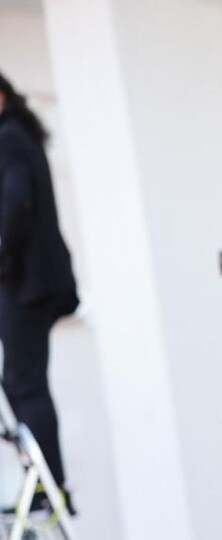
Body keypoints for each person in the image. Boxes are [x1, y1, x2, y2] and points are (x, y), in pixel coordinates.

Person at [0, 71, 79, 510]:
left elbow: (15, 203)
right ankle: (47, 482)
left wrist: (2, 260)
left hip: (26, 285)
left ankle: (49, 487)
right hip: (35, 283)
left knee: (24, 384)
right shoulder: (19, 136)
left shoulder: (9, 138)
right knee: (22, 383)